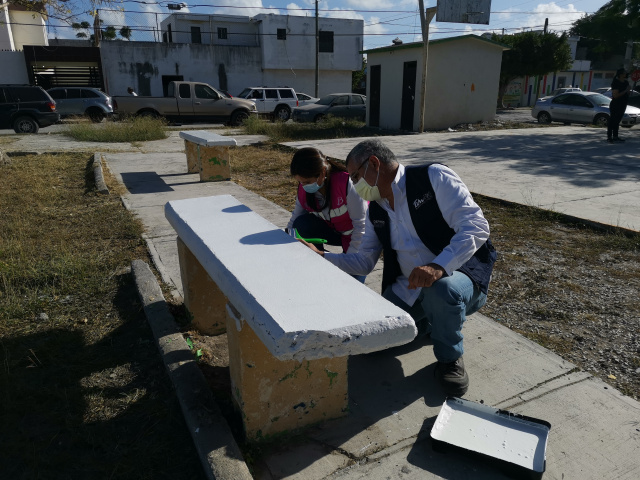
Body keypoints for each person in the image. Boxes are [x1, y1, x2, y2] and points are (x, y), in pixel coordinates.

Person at [300, 139, 496, 397]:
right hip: (408, 287)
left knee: (441, 290)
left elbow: (475, 226)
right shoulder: (376, 210)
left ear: (374, 163)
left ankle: (450, 359)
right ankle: (431, 323)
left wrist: (438, 266)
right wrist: (321, 257)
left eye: (356, 177)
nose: (355, 186)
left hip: (460, 277)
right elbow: (364, 262)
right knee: (371, 344)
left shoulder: (432, 178)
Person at [287, 147, 368, 281]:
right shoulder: (303, 189)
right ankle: (317, 262)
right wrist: (286, 241)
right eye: (300, 182)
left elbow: (361, 226)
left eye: (307, 182)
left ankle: (330, 261)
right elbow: (295, 218)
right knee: (301, 223)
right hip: (334, 232)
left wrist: (349, 261)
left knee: (352, 282)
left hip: (357, 236)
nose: (304, 186)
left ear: (323, 172)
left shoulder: (346, 184)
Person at [607, 68, 631, 143]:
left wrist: (628, 91)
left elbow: (627, 93)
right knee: (613, 120)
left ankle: (615, 136)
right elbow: (616, 95)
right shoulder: (616, 82)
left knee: (617, 121)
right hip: (616, 104)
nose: (625, 74)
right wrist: (625, 90)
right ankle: (609, 137)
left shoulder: (626, 82)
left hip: (623, 103)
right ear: (621, 74)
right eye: (624, 73)